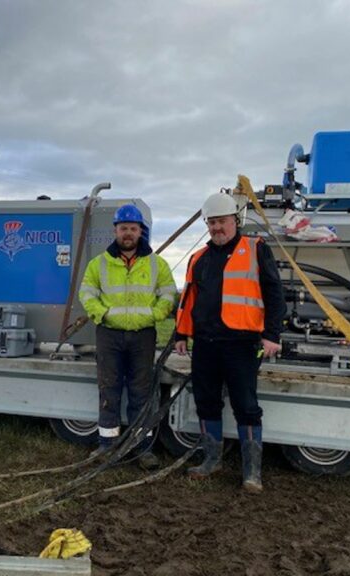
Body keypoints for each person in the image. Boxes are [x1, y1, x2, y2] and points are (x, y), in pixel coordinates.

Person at [174, 177, 285, 492]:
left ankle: (252, 472)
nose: (215, 228)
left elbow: (274, 293)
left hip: (241, 344)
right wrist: (182, 334)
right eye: (211, 222)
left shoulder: (255, 248)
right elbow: (188, 301)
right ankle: (212, 460)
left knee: (246, 405)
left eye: (220, 221)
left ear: (234, 221)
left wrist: (272, 334)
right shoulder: (198, 259)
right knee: (206, 401)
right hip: (205, 344)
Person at [79, 204, 177, 470]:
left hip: (142, 335)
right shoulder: (98, 263)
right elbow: (87, 294)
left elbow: (169, 294)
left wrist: (154, 315)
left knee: (141, 392)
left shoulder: (157, 264)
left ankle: (140, 447)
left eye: (133, 229)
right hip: (109, 334)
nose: (128, 233)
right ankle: (107, 447)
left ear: (140, 231)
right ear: (116, 230)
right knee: (108, 389)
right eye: (124, 228)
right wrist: (103, 314)